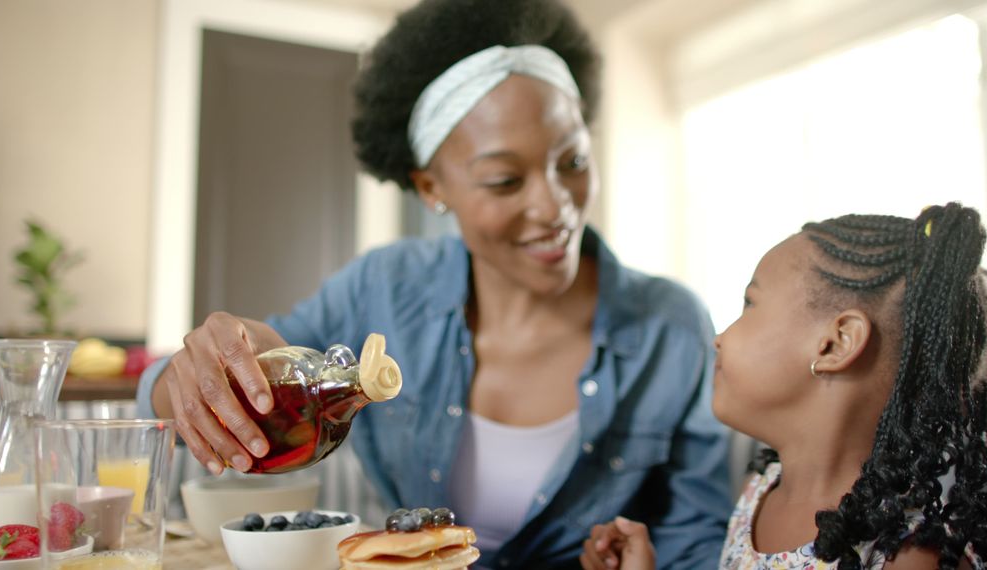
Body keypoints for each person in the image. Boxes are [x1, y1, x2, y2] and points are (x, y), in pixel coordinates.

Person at [135, 0, 732, 566]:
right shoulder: (382, 289)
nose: (555, 207)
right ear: (431, 189)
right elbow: (244, 373)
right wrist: (196, 375)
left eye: (572, 162)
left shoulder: (671, 327)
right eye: (504, 180)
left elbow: (696, 539)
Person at [581, 203, 987, 570]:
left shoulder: (905, 558)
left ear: (835, 343)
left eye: (749, 303)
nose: (719, 336)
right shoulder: (762, 489)